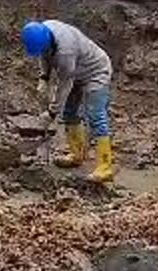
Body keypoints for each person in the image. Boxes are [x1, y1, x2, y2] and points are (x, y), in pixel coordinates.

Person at [21, 19, 114, 183]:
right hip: (77, 70)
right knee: (69, 113)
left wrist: (51, 113)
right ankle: (77, 155)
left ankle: (105, 167)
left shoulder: (66, 52)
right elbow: (45, 55)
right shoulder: (45, 30)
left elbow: (64, 85)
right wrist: (44, 77)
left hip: (96, 71)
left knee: (95, 115)